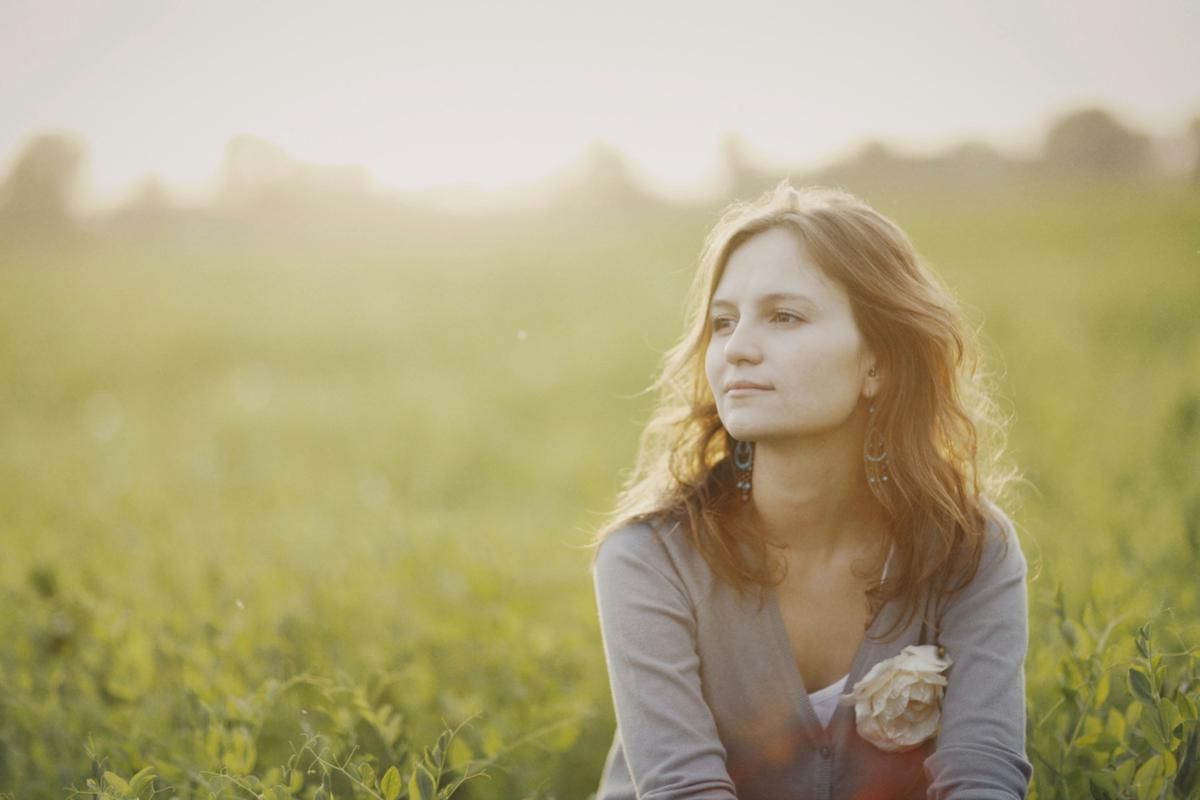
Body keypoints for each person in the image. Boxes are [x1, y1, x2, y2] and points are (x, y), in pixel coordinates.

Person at [589, 182, 1032, 799]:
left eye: (784, 317)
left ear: (877, 363)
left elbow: (983, 779)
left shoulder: (969, 548)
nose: (738, 349)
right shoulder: (650, 557)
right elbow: (684, 790)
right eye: (723, 322)